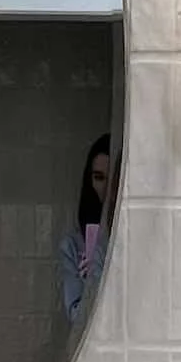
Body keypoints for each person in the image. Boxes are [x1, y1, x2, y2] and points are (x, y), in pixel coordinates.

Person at [61, 133, 115, 324]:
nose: (106, 187)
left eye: (111, 178)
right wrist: (93, 279)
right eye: (99, 177)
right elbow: (76, 318)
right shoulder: (74, 245)